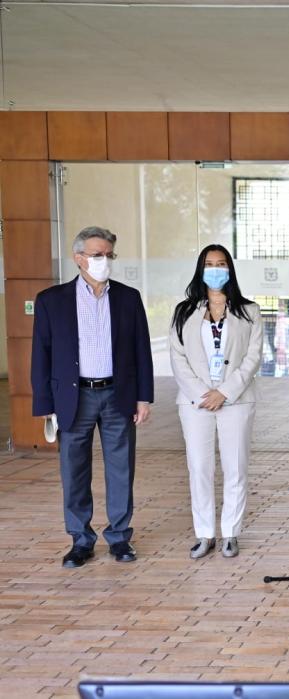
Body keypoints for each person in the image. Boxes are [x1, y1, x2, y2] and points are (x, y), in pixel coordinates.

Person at [31, 226, 154, 568]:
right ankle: (80, 541)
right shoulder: (51, 301)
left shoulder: (128, 298)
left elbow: (141, 350)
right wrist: (45, 406)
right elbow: (41, 354)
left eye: (109, 255)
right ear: (79, 258)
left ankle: (119, 538)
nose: (104, 261)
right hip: (73, 398)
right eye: (97, 255)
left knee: (121, 468)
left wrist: (144, 398)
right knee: (74, 471)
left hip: (118, 395)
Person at [169, 245, 262, 559]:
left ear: (230, 269)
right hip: (195, 403)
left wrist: (225, 392)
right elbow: (178, 358)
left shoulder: (249, 311)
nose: (215, 269)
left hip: (235, 401)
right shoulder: (184, 311)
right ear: (200, 269)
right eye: (209, 264)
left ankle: (231, 533)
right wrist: (201, 393)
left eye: (221, 264)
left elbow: (252, 357)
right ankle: (204, 533)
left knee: (235, 467)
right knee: (200, 468)